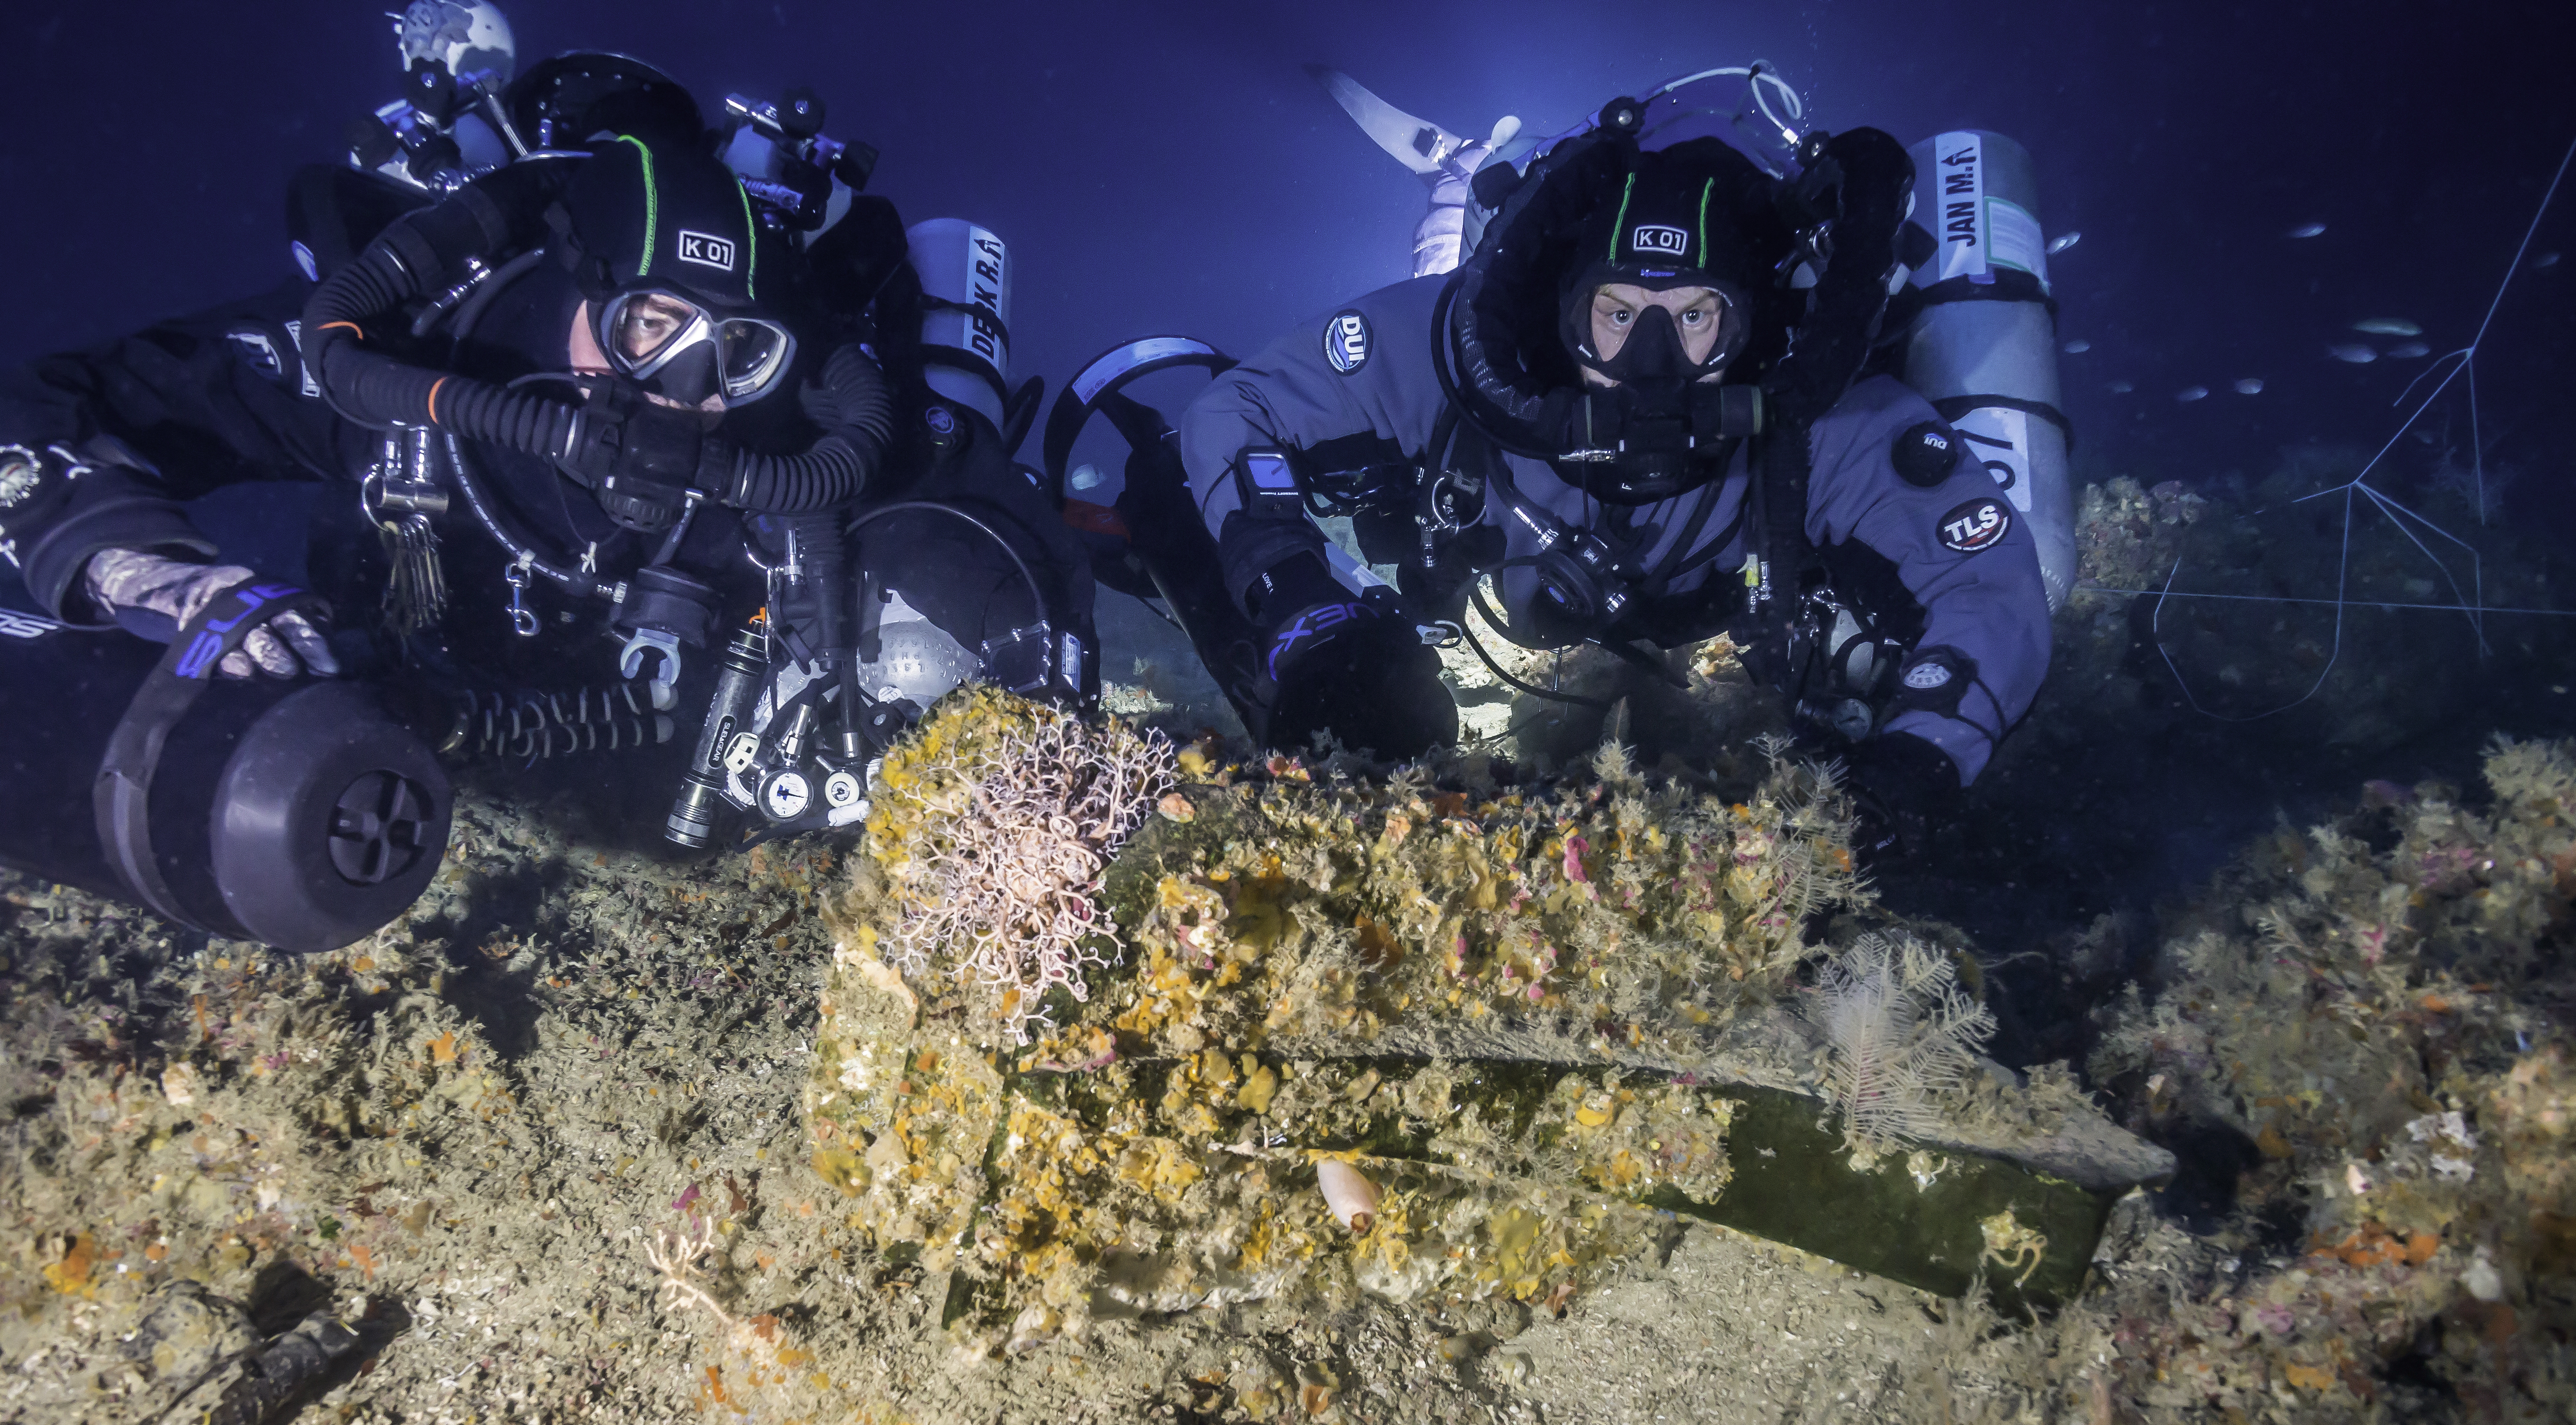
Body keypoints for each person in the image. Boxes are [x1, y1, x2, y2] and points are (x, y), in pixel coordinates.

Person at [0, 48, 1093, 852]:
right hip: (374, 751)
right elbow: (63, 404)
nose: (689, 395)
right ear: (577, 288)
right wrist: (133, 564)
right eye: (649, 329)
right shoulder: (407, 366)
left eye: (739, 352)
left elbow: (996, 524)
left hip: (680, 810)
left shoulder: (783, 442)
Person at [1161, 99, 2051, 856]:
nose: (1652, 362)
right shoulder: (1463, 352)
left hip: (1712, 602)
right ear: (1565, 313)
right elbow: (1233, 412)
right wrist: (1301, 604)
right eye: (1618, 315)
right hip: (1487, 562)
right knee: (1169, 485)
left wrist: (1920, 760)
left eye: (1697, 317)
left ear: (1754, 329)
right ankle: (1456, 194)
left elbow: (1988, 581)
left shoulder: (1825, 416)